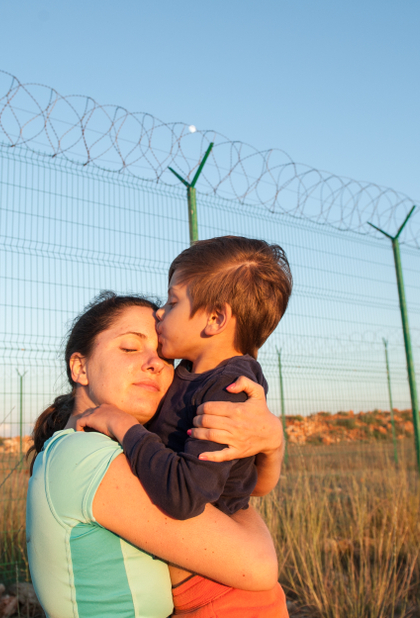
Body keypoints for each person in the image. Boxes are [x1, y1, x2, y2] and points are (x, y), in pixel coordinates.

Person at [26, 292, 285, 618]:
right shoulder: (86, 456)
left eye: (165, 358)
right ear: (80, 367)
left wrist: (272, 442)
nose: (155, 364)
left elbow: (256, 486)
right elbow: (258, 567)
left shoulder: (113, 451)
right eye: (130, 348)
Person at [77, 237, 292, 617]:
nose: (160, 313)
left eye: (173, 302)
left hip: (228, 600)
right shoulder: (190, 375)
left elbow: (184, 495)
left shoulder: (230, 391)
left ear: (215, 319)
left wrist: (123, 425)